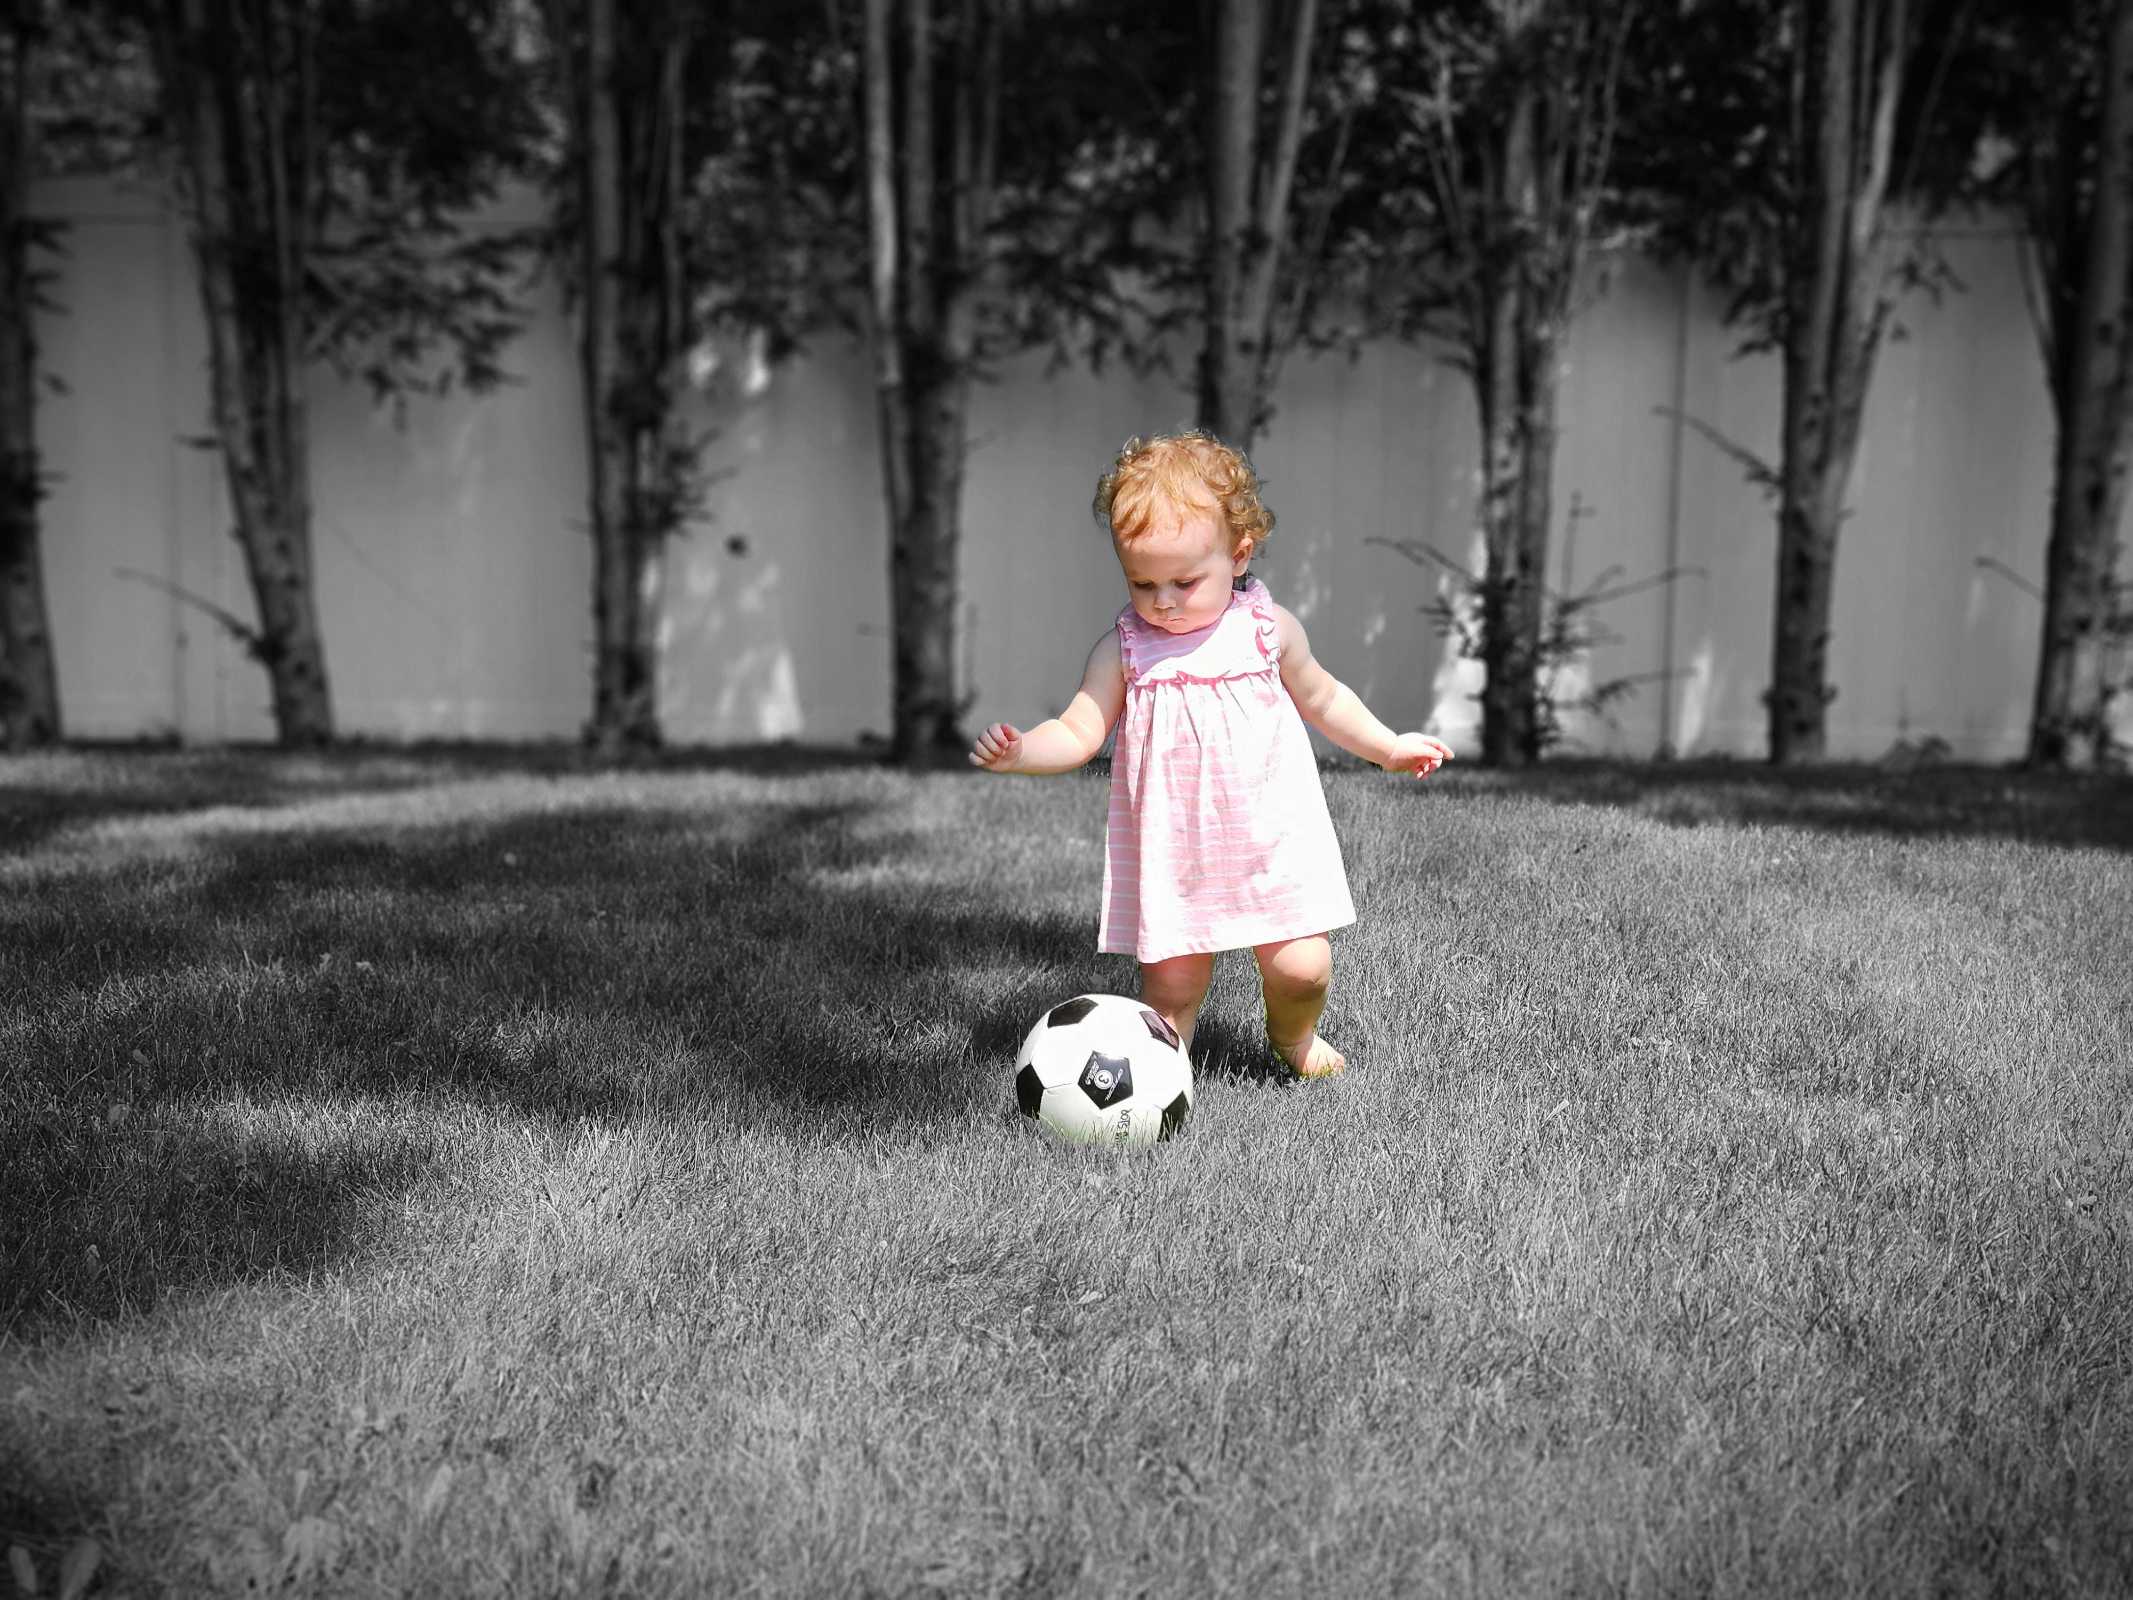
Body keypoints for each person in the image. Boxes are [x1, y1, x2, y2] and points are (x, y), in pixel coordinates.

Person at [968, 431, 1453, 1079]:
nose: (1163, 601)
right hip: (1176, 853)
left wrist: (1387, 747)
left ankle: (1294, 1039)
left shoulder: (1267, 631)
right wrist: (1024, 750)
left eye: (1184, 581)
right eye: (1142, 582)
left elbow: (1325, 698)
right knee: (1171, 991)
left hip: (1272, 841)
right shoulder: (1126, 649)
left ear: (1238, 554)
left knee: (1303, 969)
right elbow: (1080, 729)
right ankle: (1162, 1079)